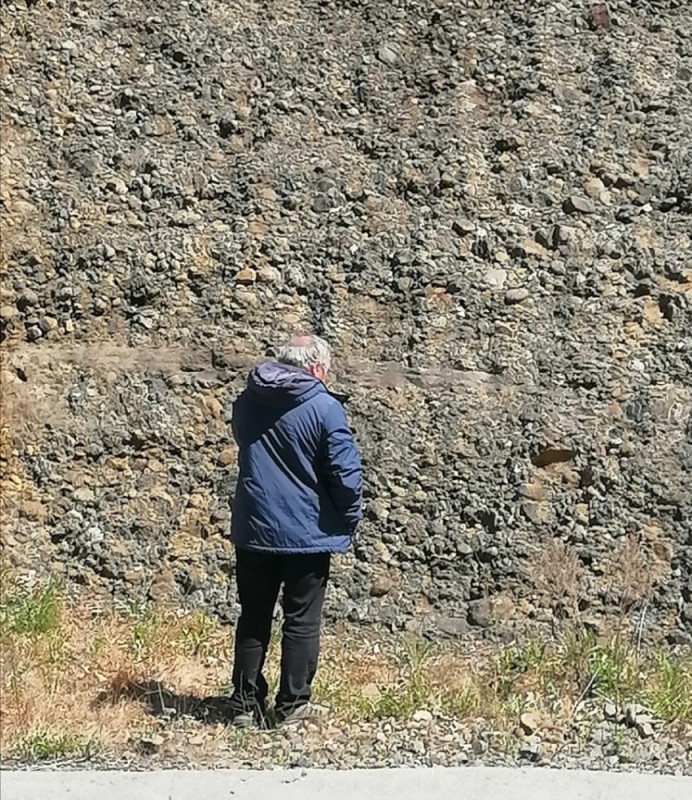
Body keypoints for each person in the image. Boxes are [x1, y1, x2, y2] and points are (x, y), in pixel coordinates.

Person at [227, 334, 363, 727]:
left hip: (254, 527)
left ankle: (244, 704)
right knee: (301, 619)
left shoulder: (247, 400)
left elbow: (243, 442)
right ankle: (292, 706)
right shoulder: (325, 407)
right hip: (307, 532)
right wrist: (347, 518)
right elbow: (346, 475)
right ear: (317, 368)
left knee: (253, 615)